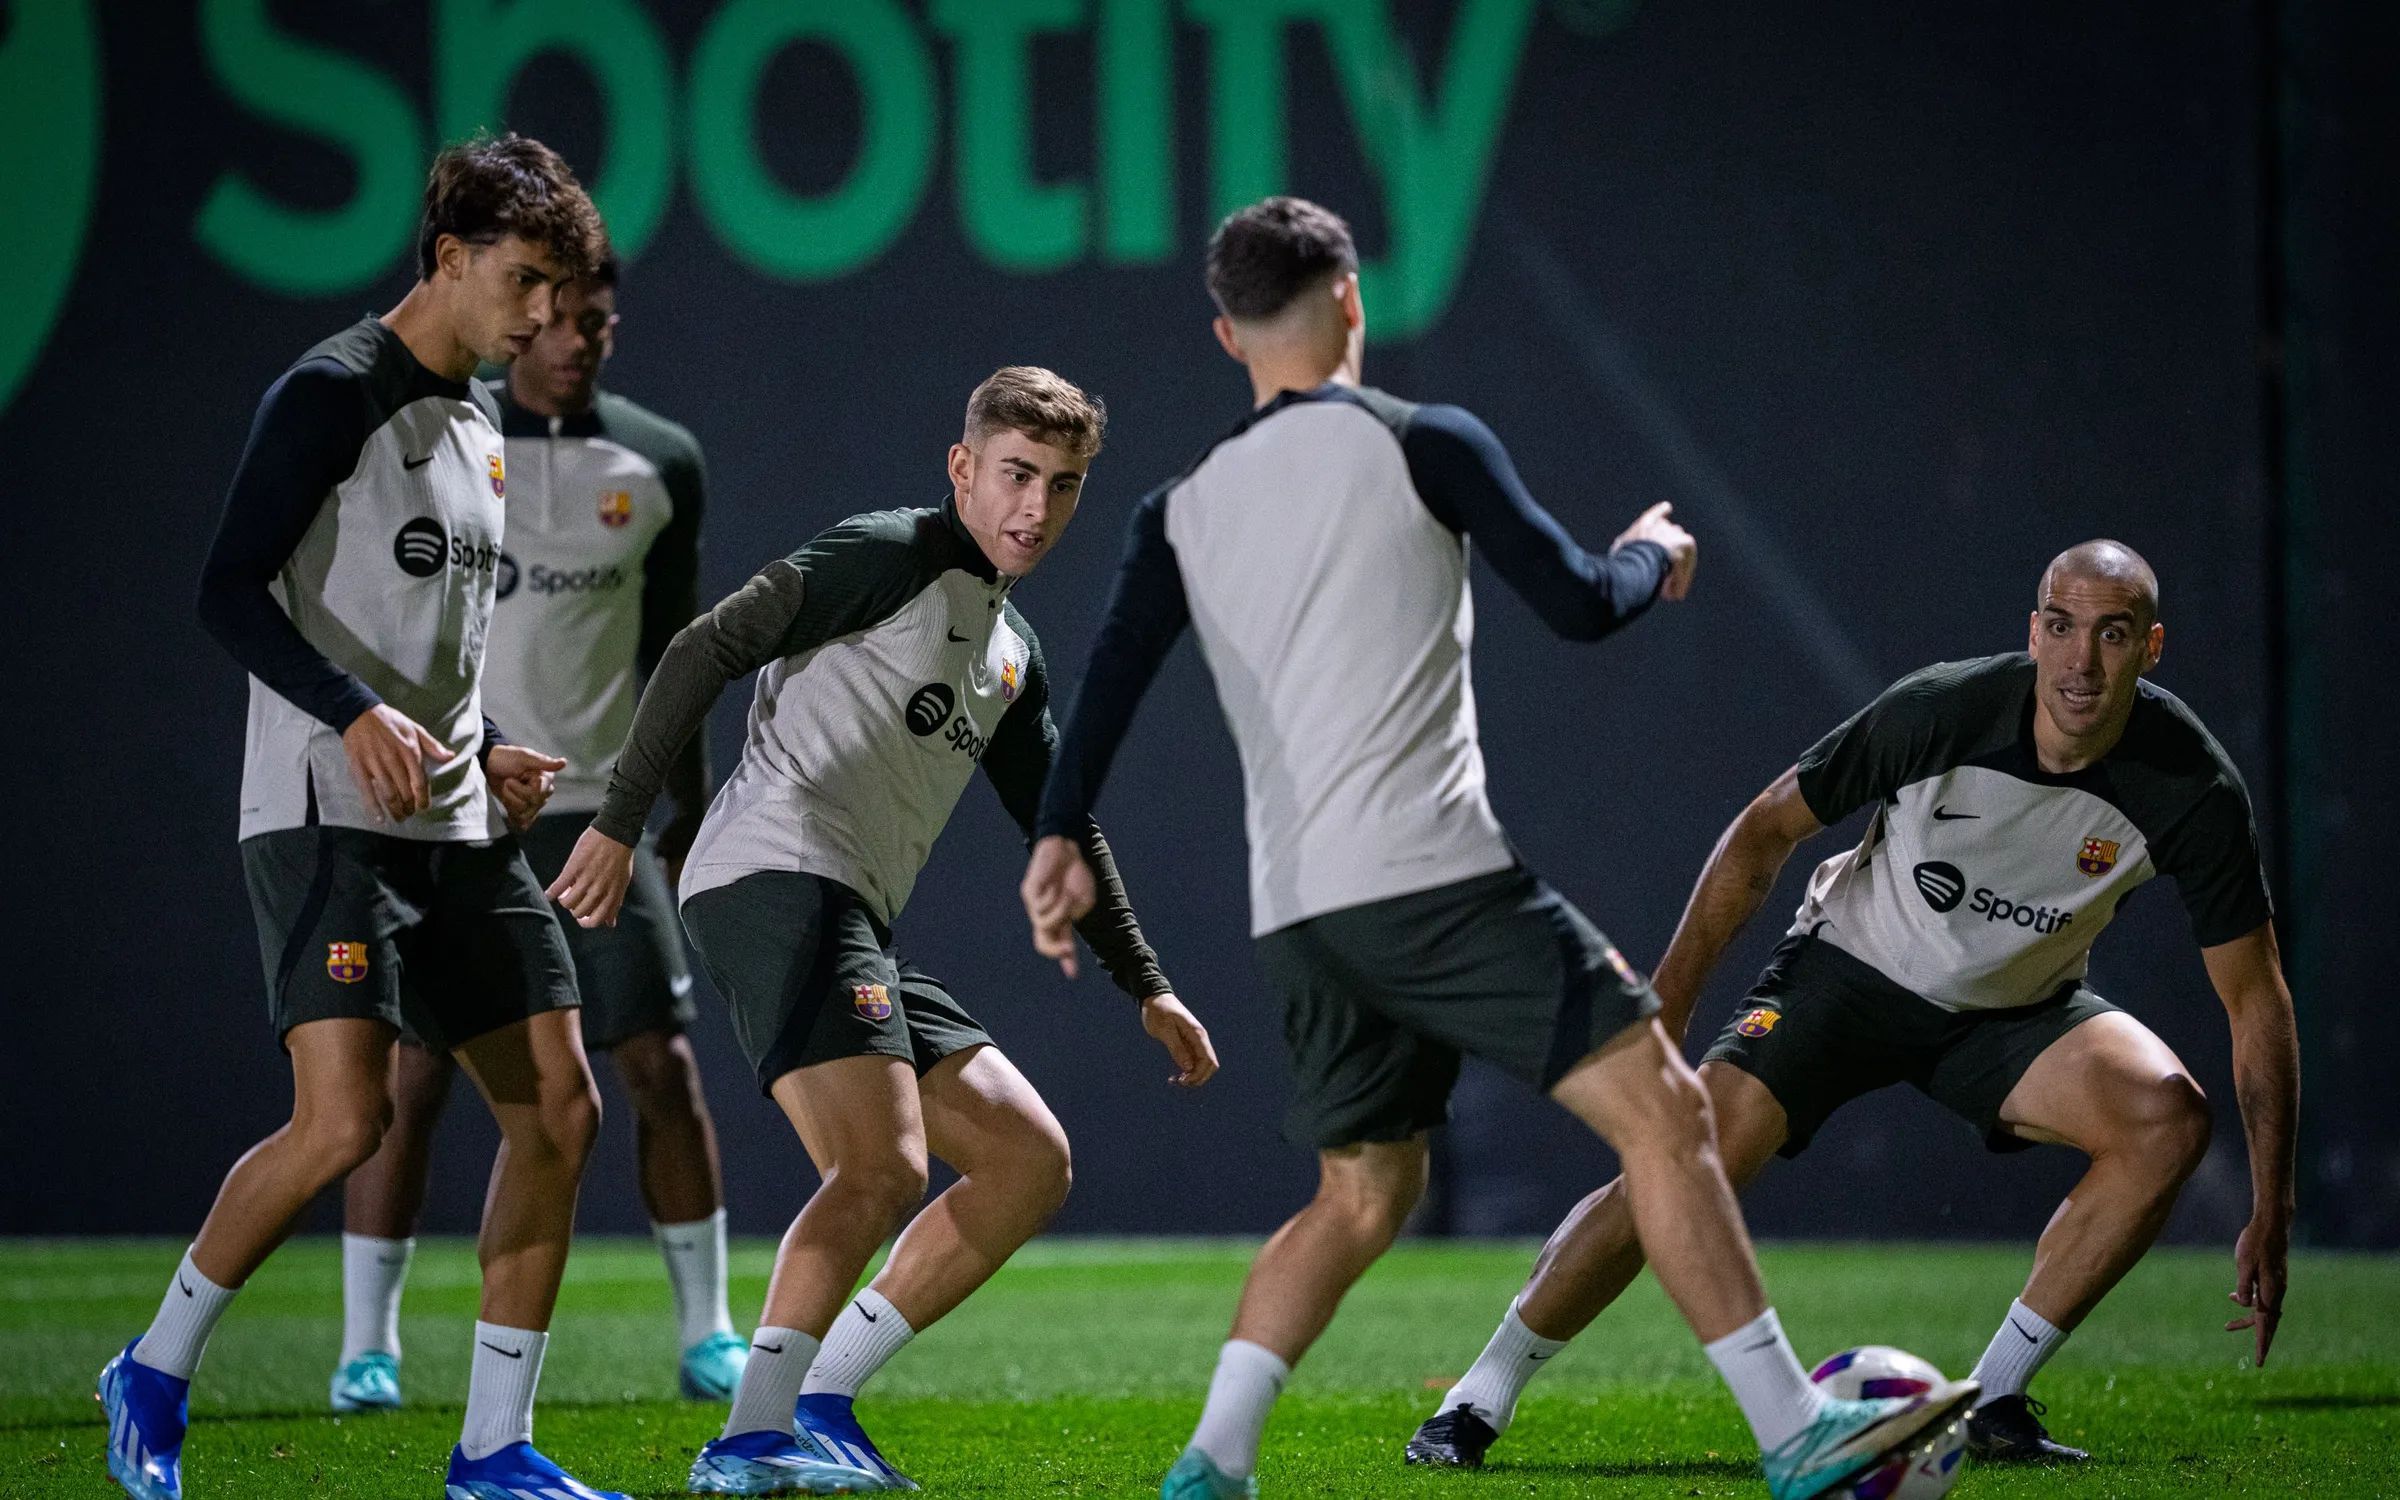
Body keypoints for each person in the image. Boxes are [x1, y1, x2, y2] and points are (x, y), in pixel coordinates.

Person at [1021, 196, 1973, 1500]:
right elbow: (1583, 606)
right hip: (1433, 881)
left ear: (1226, 334)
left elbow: (1111, 680)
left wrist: (1062, 833)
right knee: (1669, 1113)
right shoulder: (1425, 441)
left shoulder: (1177, 510)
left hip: (1301, 918)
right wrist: (1650, 553)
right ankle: (1794, 1431)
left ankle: (1212, 1463)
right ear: (1352, 300)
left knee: (1361, 1197)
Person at [1403, 540, 2296, 1469]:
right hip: (1846, 975)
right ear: (2034, 633)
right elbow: (1763, 831)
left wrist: (2273, 1205)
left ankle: (1991, 1401)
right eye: (2063, 628)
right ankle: (1475, 1401)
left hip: (2014, 1011)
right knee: (1681, 1155)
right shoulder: (1942, 709)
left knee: (2167, 1120)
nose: (2082, 661)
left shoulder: (2191, 785)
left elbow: (2256, 1000)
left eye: (2112, 635)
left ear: (2150, 649)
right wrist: (1662, 1012)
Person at [547, 367, 1219, 1496]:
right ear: (962, 469)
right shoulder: (884, 555)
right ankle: (752, 1439)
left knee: (1026, 1161)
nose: (1036, 509)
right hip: (770, 870)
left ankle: (818, 1406)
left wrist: (1146, 984)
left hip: (849, 907)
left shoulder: (1012, 654)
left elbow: (1062, 825)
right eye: (1015, 475)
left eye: (1062, 486)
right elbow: (701, 648)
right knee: (877, 1166)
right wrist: (620, 823)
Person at [104, 136, 630, 1500]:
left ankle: (496, 1450)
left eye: (560, 295)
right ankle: (154, 1368)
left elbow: (422, 650)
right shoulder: (329, 393)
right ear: (449, 259)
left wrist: (495, 746)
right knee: (344, 1128)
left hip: (458, 823)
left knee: (561, 1113)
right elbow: (225, 590)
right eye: (521, 285)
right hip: (326, 809)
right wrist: (347, 713)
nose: (540, 320)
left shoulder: (475, 425)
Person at [328, 253, 748, 1414]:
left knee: (661, 1066)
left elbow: (679, 651)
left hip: (598, 816)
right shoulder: (448, 441)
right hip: (458, 802)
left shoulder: (661, 460)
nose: (570, 339)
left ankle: (710, 1334)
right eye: (552, 317)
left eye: (594, 322)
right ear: (520, 318)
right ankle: (370, 1347)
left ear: (614, 326)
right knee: (410, 1082)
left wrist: (686, 805)